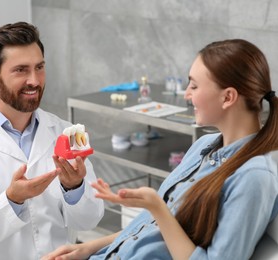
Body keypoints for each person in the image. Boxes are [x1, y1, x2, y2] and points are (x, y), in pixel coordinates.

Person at [42, 39, 278, 260]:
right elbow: (149, 229)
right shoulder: (203, 147)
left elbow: (166, 224)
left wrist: (157, 207)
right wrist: (87, 248)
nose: (186, 94)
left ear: (228, 97)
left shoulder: (254, 177)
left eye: (194, 86)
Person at [0, 21, 104, 260]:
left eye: (39, 67)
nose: (35, 81)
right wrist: (12, 199)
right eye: (21, 70)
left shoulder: (64, 132)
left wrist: (74, 188)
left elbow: (89, 220)